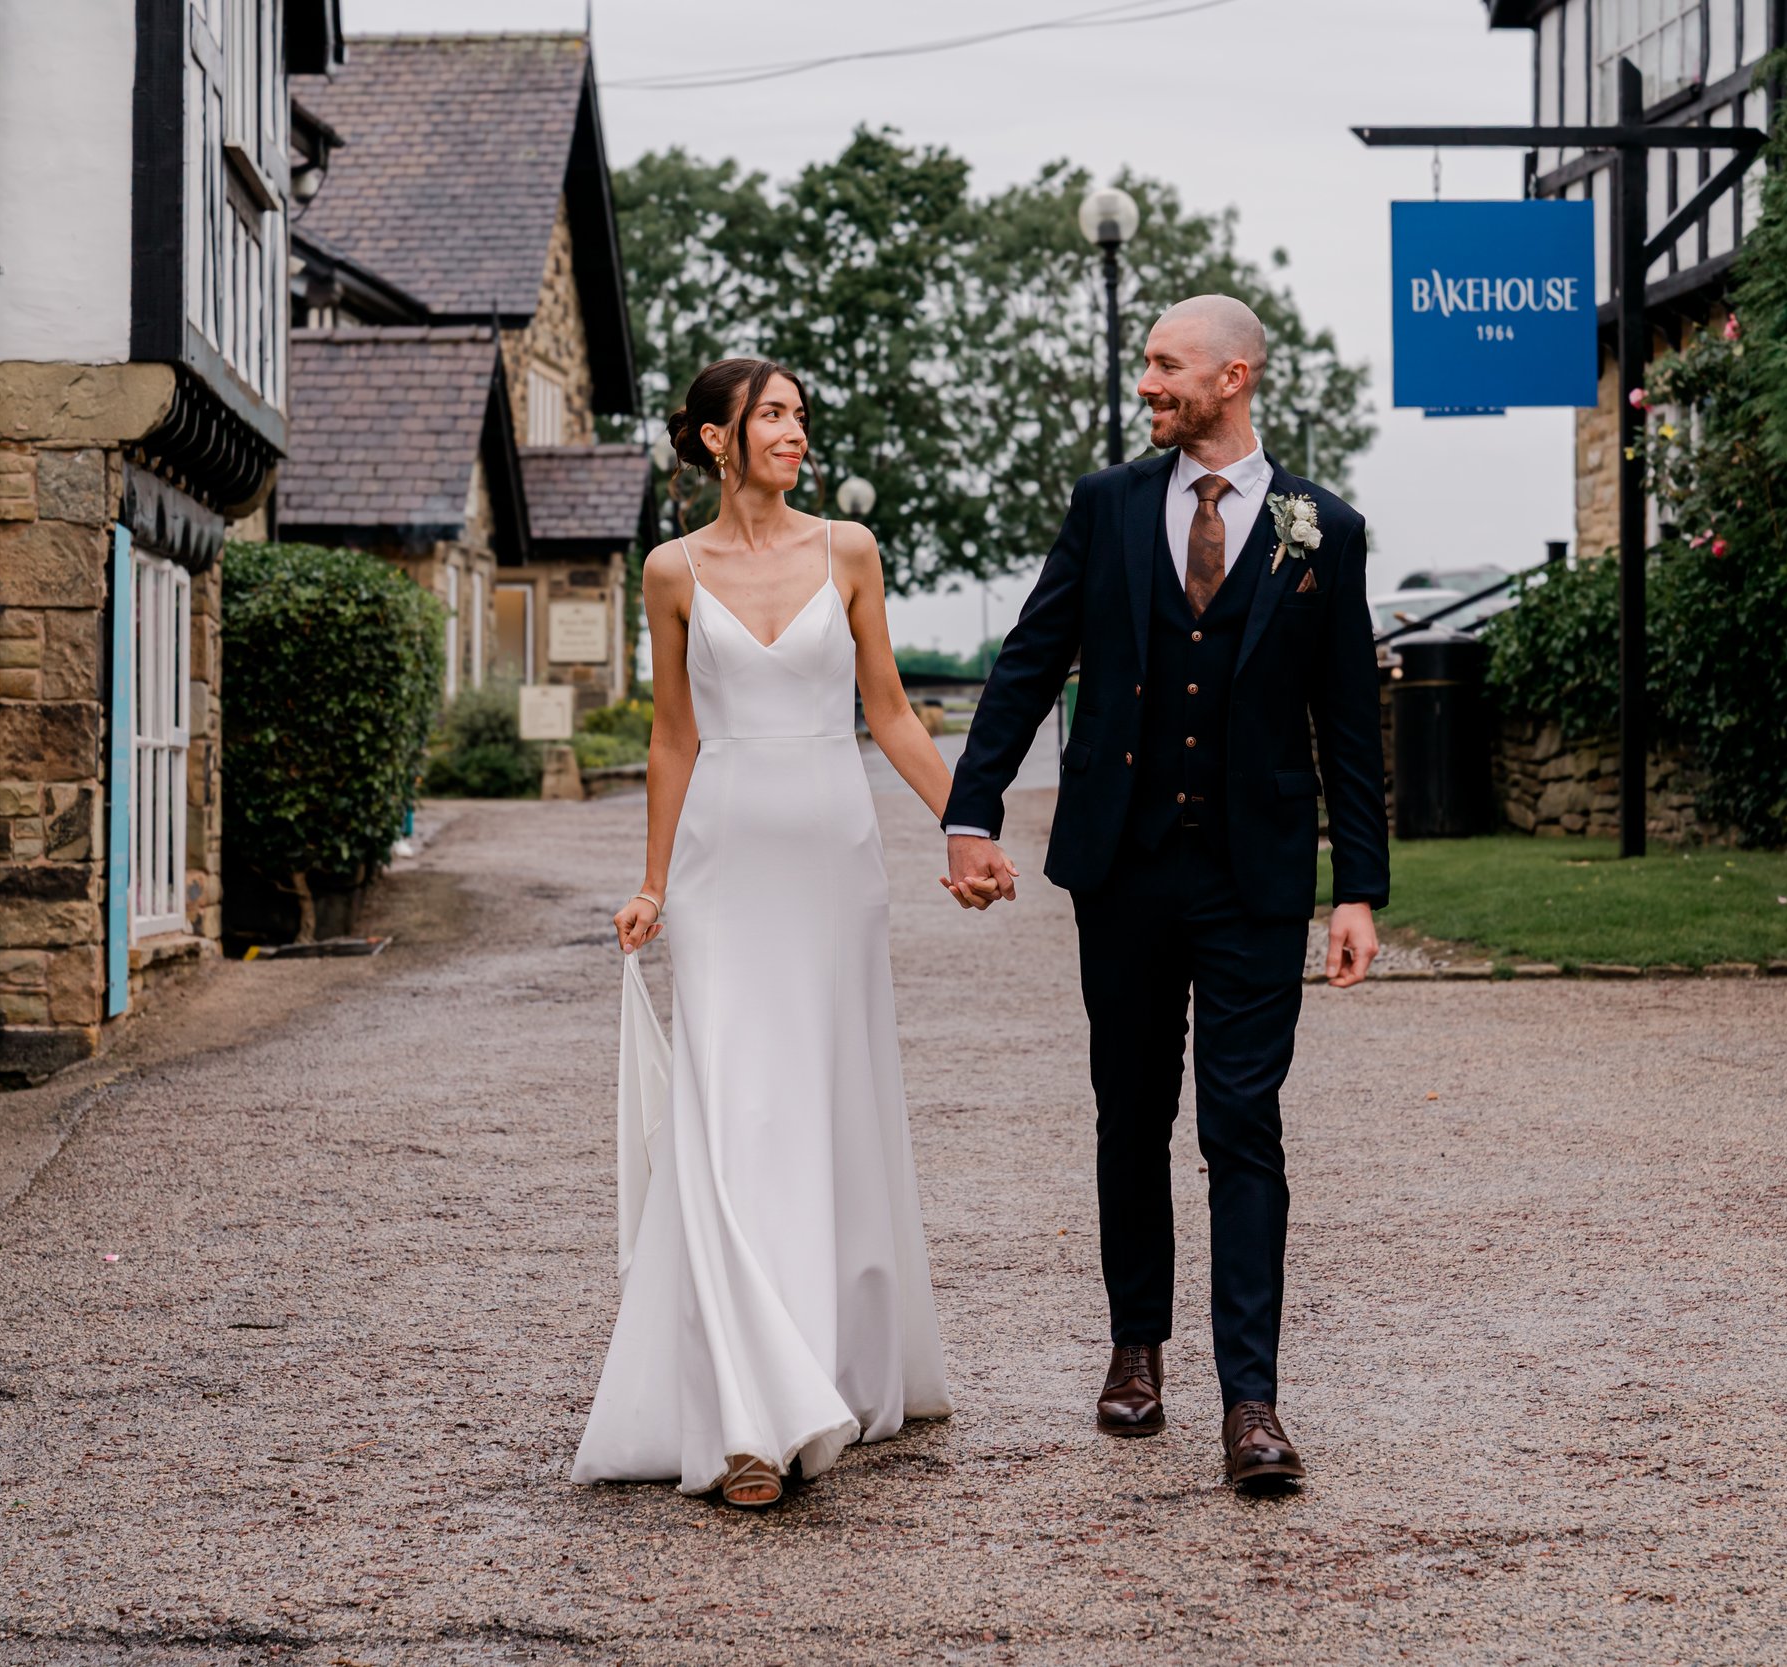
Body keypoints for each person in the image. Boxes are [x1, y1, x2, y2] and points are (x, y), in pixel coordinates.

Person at [941, 295, 1390, 1492]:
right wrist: (969, 809)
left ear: (1231, 376)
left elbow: (1347, 719)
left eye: (1165, 364)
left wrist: (1358, 889)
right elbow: (1031, 656)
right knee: (1131, 1108)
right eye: (1143, 363)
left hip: (1253, 877)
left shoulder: (1321, 530)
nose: (1147, 382)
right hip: (1124, 865)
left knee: (1243, 1123)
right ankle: (1135, 1347)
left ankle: (1253, 1403)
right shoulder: (1109, 505)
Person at [572, 358, 999, 1508]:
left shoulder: (845, 553)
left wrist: (965, 827)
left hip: (831, 867)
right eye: (773, 414)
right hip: (722, 871)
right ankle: (749, 1417)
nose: (795, 432)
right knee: (728, 1113)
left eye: (801, 416)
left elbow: (892, 712)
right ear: (716, 438)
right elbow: (672, 737)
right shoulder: (668, 571)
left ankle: (832, 1360)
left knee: (820, 1104)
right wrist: (653, 884)